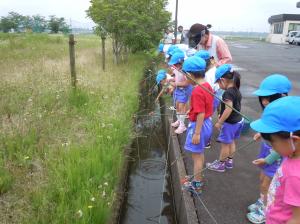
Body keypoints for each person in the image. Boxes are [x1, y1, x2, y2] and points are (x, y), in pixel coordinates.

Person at [247, 74, 292, 224]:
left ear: (282, 95)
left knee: (268, 183)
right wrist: (262, 132)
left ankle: (266, 210)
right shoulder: (273, 110)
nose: (265, 101)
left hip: (275, 156)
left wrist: (267, 159)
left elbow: (281, 146)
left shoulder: (286, 114)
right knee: (262, 179)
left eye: (269, 97)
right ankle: (262, 200)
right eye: (263, 98)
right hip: (267, 151)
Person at [250, 96, 300, 224]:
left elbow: (296, 219)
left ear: (294, 140)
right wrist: (267, 160)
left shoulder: (295, 176)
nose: (271, 146)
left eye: (273, 142)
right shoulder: (291, 154)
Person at [181, 56, 214, 195]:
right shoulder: (206, 86)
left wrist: (196, 133)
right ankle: (197, 178)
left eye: (185, 76)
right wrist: (192, 110)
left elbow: (200, 113)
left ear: (190, 74)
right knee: (199, 154)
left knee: (196, 157)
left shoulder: (196, 90)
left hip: (199, 126)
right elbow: (202, 108)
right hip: (207, 123)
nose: (185, 79)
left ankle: (196, 185)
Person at [206, 64, 244, 172]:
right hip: (238, 121)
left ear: (222, 80)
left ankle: (221, 164)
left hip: (230, 124)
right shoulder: (236, 89)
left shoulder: (228, 93)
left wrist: (219, 122)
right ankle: (229, 161)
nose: (218, 85)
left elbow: (229, 109)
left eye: (218, 82)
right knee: (231, 142)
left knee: (224, 145)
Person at [168, 51, 193, 134]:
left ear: (181, 62)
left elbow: (187, 83)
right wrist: (171, 79)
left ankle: (182, 126)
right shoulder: (176, 69)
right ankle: (179, 121)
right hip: (178, 89)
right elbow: (176, 78)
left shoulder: (185, 71)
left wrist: (175, 84)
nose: (174, 66)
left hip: (184, 91)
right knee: (177, 105)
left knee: (181, 107)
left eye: (175, 64)